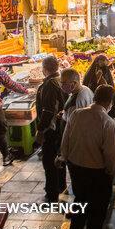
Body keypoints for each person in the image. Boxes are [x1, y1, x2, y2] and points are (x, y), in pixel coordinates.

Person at [57, 84, 115, 229]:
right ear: (110, 103)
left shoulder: (76, 114)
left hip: (76, 169)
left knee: (80, 203)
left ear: (94, 98)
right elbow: (110, 154)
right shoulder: (107, 122)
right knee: (97, 211)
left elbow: (66, 139)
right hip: (97, 173)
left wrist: (65, 158)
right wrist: (111, 171)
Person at [35, 56, 67, 202]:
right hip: (61, 126)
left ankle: (52, 192)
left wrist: (41, 129)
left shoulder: (49, 85)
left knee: (49, 161)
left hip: (52, 128)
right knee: (60, 157)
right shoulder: (61, 80)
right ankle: (61, 185)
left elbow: (48, 110)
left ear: (45, 69)